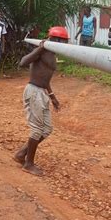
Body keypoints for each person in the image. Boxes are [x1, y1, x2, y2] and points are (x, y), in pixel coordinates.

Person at [14, 26, 69, 176]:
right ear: (55, 40)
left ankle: (22, 153)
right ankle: (28, 164)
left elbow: (45, 78)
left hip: (42, 92)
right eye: (62, 41)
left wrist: (53, 97)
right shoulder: (43, 50)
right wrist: (41, 48)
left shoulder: (53, 53)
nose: (64, 44)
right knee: (37, 129)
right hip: (33, 91)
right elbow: (23, 62)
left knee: (47, 129)